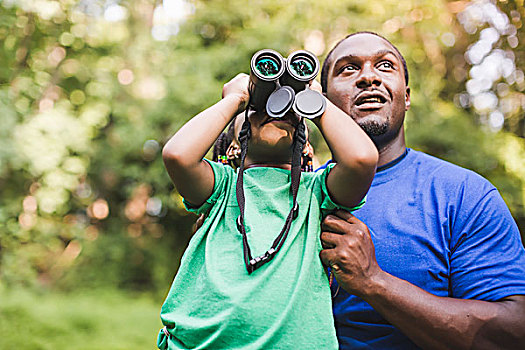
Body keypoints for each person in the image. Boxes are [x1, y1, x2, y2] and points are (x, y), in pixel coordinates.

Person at [318, 31, 525, 349]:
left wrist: (373, 281)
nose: (368, 77)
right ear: (322, 101)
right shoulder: (295, 195)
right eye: (348, 68)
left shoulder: (464, 195)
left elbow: (512, 333)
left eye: (385, 66)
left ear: (407, 96)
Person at [157, 68, 378, 348]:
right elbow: (177, 155)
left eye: (290, 109)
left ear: (307, 147)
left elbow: (362, 158)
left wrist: (314, 99)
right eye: (258, 110)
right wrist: (237, 99)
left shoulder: (316, 192)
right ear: (234, 145)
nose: (275, 111)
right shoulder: (222, 188)